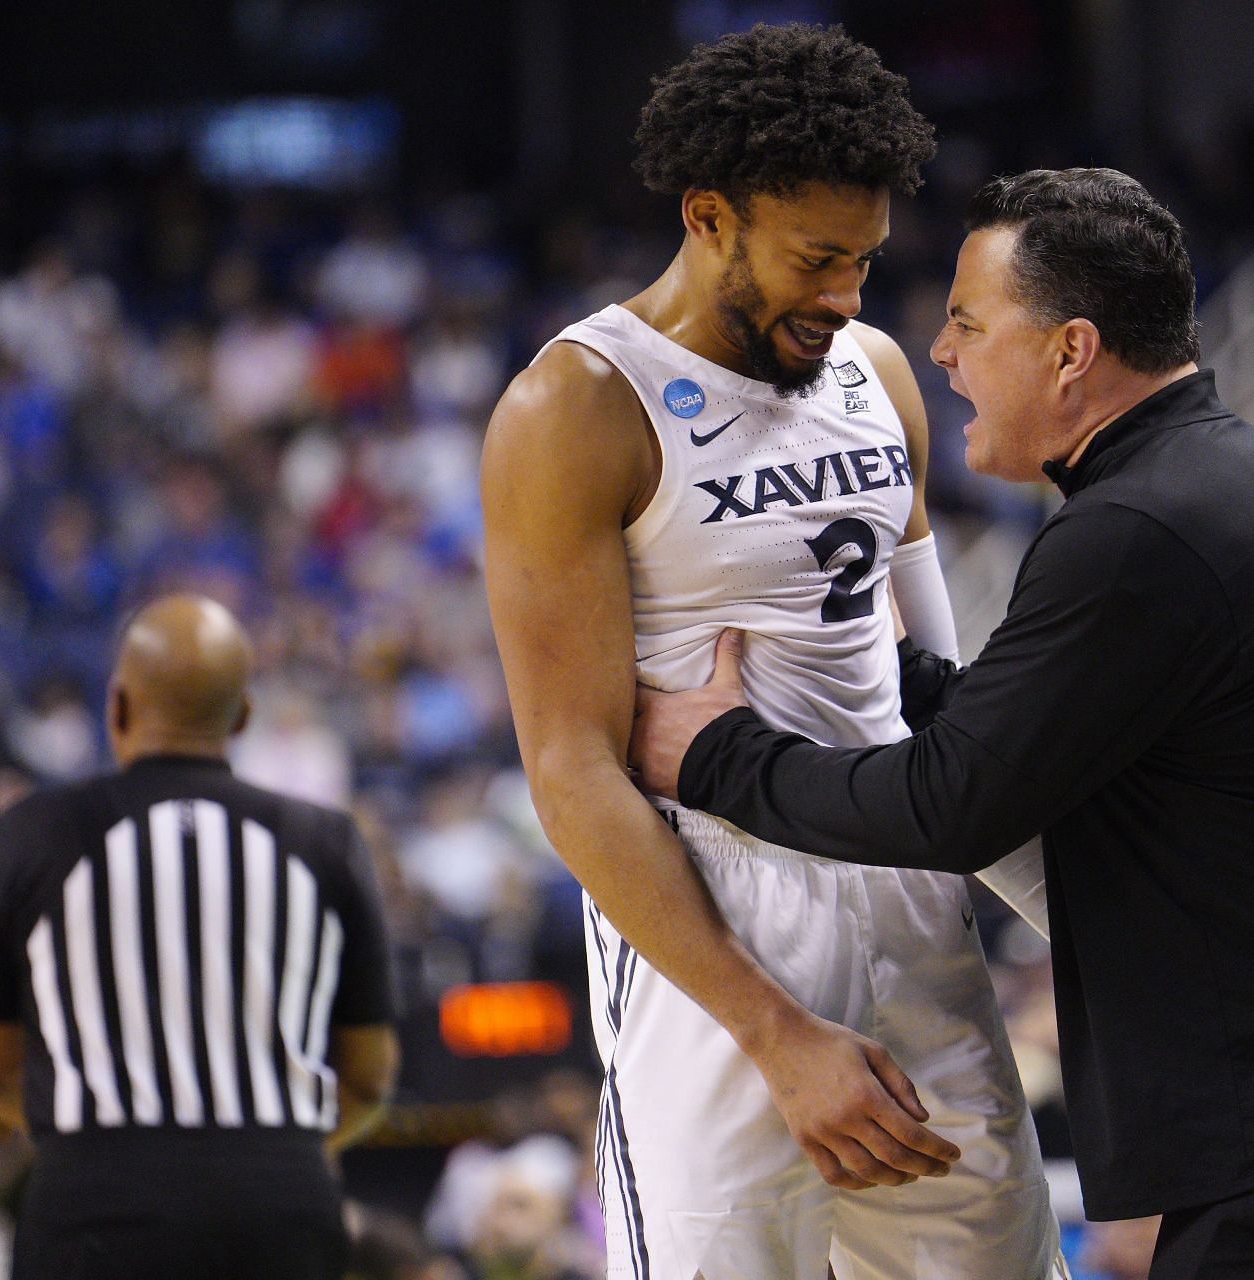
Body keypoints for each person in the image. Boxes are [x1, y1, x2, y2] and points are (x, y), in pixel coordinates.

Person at [630, 168, 1254, 1279]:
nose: (944, 354)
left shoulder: (1138, 530)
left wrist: (719, 752)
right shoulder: (1224, 478)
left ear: (1070, 350)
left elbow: (954, 803)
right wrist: (865, 664)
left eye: (968, 322)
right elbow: (1025, 727)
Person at [480, 23, 1065, 1280]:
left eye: (862, 258)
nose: (846, 296)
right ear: (709, 216)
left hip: (915, 929)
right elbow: (572, 767)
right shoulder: (577, 405)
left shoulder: (879, 372)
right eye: (815, 260)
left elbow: (936, 695)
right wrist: (776, 1031)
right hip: (717, 963)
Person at [0, 594, 399, 1280]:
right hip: (280, 1206)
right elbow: (368, 1077)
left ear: (117, 706)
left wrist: (88, 1140)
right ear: (242, 716)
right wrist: (277, 1148)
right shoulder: (327, 844)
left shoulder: (28, 835)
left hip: (93, 1210)